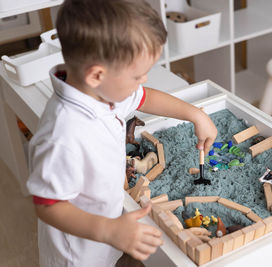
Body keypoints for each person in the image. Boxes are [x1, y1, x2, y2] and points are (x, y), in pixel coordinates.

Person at [26, 0, 218, 266]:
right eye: (137, 76)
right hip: (80, 254)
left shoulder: (101, 90)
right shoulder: (63, 134)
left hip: (112, 229)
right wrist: (109, 230)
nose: (143, 82)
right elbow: (48, 204)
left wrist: (195, 115)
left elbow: (144, 98)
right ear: (96, 75)